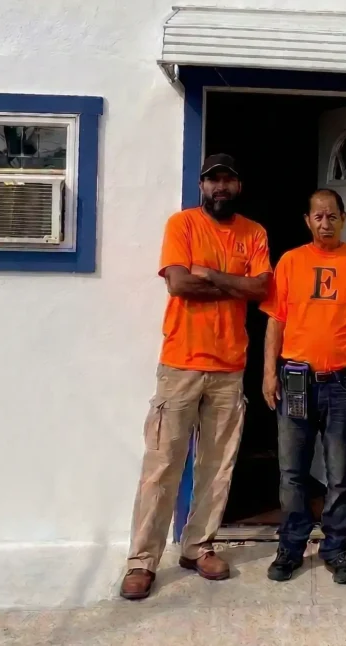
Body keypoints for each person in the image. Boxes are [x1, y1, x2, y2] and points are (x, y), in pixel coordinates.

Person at [120, 154, 272, 601]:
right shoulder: (183, 225)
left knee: (217, 467)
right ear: (202, 186)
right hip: (182, 363)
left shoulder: (254, 232)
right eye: (213, 181)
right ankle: (141, 562)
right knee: (162, 465)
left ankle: (198, 547)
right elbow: (180, 285)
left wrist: (210, 274)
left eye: (228, 180)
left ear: (238, 186)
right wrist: (232, 283)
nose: (220, 188)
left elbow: (262, 289)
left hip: (229, 367)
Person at [261, 189, 346, 585]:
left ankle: (336, 547)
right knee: (292, 472)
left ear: (344, 219)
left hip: (339, 382)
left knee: (338, 472)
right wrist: (268, 372)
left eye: (332, 216)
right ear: (307, 220)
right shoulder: (291, 262)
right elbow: (276, 320)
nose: (325, 223)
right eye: (318, 216)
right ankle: (291, 546)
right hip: (294, 379)